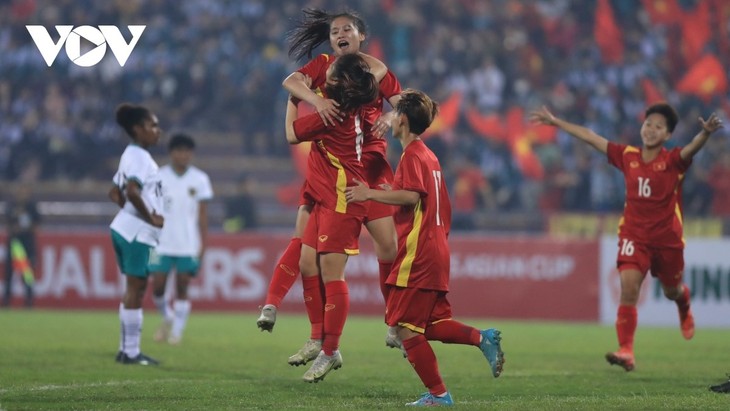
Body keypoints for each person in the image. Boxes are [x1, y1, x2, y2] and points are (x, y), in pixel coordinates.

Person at [530, 104, 723, 372]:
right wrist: (556, 122)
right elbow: (590, 136)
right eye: (648, 124)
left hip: (667, 240)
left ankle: (683, 303)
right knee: (629, 287)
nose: (651, 130)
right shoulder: (627, 155)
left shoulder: (672, 160)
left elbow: (691, 149)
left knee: (672, 290)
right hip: (634, 235)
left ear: (667, 135)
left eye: (658, 127)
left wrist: (704, 135)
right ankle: (627, 351)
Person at [257, 8, 403, 361]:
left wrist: (390, 114)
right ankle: (317, 337)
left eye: (347, 29)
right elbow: (290, 82)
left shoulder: (376, 69)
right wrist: (316, 99)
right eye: (335, 30)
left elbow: (403, 106)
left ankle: (395, 322)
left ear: (360, 35)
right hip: (330, 166)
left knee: (388, 248)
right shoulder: (323, 65)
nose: (340, 33)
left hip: (371, 166)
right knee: (309, 254)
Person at [346, 89, 505, 406]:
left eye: (394, 116)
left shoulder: (413, 155)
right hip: (435, 248)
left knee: (406, 330)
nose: (389, 121)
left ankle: (439, 395)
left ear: (402, 121)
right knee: (430, 326)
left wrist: (369, 194)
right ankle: (481, 338)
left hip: (419, 252)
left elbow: (412, 197)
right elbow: (430, 202)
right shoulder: (429, 157)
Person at [284, 53, 380, 382]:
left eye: (331, 74)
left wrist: (294, 99)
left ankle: (330, 350)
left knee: (332, 273)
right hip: (328, 198)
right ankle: (318, 337)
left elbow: (291, 135)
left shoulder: (331, 114)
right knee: (308, 263)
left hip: (343, 201)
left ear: (337, 83)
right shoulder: (351, 106)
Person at [108, 103, 164, 366]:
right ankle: (130, 352)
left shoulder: (129, 154)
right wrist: (149, 216)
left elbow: (114, 193)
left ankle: (126, 349)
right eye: (152, 125)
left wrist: (131, 213)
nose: (157, 130)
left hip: (127, 229)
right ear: (138, 129)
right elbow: (131, 191)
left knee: (134, 287)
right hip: (137, 233)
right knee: (137, 287)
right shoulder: (141, 157)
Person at [148, 134, 213, 345]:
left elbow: (202, 215)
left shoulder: (200, 179)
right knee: (158, 285)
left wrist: (203, 243)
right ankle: (167, 316)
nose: (183, 155)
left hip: (188, 243)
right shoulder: (158, 176)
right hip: (161, 242)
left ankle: (176, 331)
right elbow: (150, 209)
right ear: (171, 153)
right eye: (179, 150)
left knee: (182, 286)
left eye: (187, 151)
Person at [3, 185, 40, 308]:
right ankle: (6, 301)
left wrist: (25, 228)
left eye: (24, 192)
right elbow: (7, 223)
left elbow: (37, 224)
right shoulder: (12, 206)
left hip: (27, 243)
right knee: (9, 273)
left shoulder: (31, 207)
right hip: (15, 244)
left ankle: (29, 302)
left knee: (27, 273)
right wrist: (14, 229)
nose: (22, 194)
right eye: (20, 191)